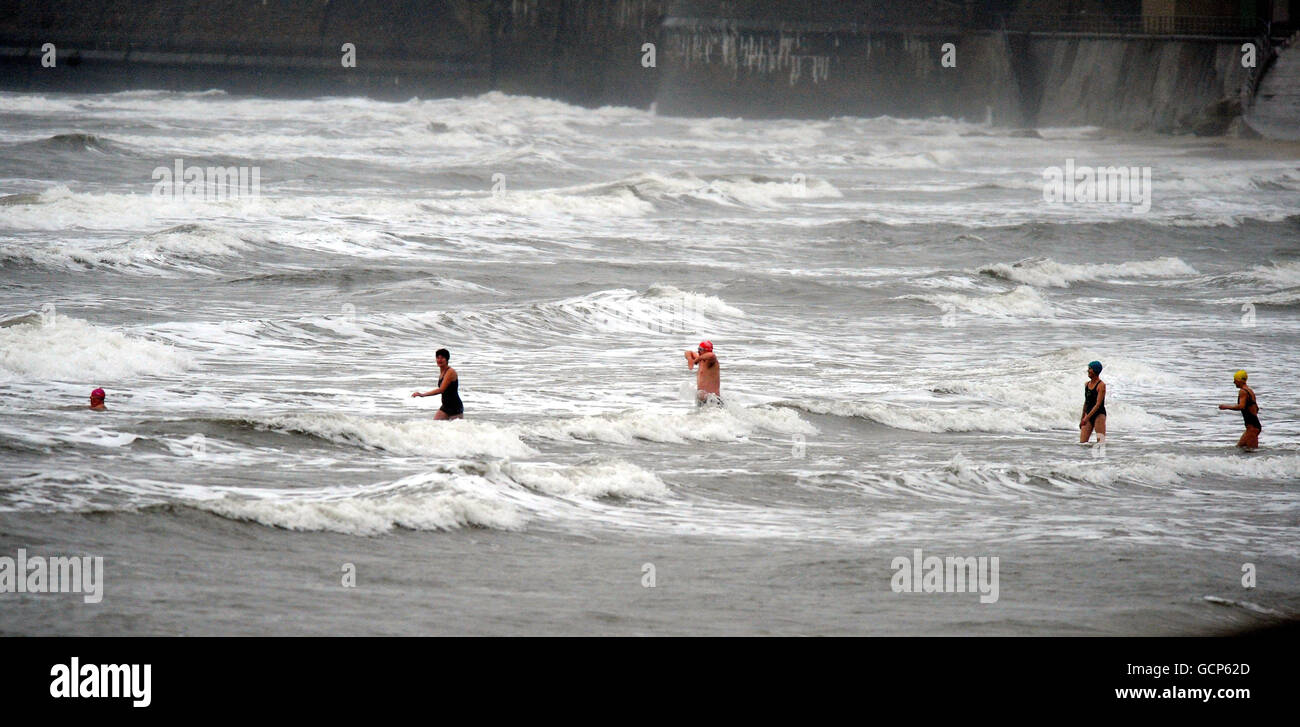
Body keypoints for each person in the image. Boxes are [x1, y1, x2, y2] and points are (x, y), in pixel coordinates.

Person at [411, 348, 463, 420]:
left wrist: (423, 394)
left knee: (455, 430)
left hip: (455, 407)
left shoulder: (450, 372)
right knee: (435, 425)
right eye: (438, 358)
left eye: (442, 358)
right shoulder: (442, 371)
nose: (439, 360)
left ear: (447, 359)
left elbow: (441, 389)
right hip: (446, 406)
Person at [1218, 370, 1260, 450]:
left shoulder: (1243, 391)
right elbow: (1256, 408)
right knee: (1245, 450)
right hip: (1254, 426)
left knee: (1245, 451)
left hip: (1252, 428)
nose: (1234, 382)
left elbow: (1241, 406)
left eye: (1235, 380)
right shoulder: (1250, 391)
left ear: (1239, 380)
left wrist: (1225, 407)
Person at [684, 340, 722, 406]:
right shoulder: (702, 360)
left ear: (706, 350)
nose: (698, 351)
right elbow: (688, 352)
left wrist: (697, 359)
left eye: (700, 349)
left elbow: (712, 355)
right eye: (698, 349)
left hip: (713, 400)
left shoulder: (712, 362)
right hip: (702, 401)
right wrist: (690, 359)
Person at [1079, 360, 1106, 444]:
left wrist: (1086, 418)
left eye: (1090, 369)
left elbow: (1098, 404)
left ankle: (1100, 457)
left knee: (1100, 442)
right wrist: (1082, 418)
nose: (1088, 371)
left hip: (1099, 414)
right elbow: (1086, 402)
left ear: (1095, 370)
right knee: (1082, 443)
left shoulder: (1101, 385)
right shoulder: (1086, 384)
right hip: (1088, 413)